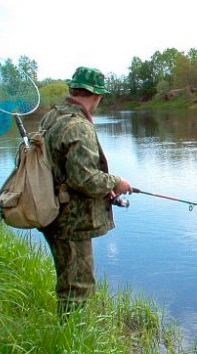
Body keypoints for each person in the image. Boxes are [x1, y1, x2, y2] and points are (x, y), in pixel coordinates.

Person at [39, 66, 132, 319]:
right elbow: (85, 179)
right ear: (95, 95)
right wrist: (116, 182)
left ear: (72, 90)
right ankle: (71, 339)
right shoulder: (78, 126)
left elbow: (65, 172)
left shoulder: (53, 117)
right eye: (100, 96)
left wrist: (106, 190)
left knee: (68, 281)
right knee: (79, 286)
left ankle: (66, 335)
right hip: (71, 221)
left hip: (51, 212)